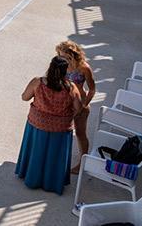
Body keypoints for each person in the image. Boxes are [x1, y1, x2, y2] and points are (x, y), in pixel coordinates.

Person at [16, 56, 84, 194]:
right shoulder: (71, 88)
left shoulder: (37, 82)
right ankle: (52, 182)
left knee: (36, 150)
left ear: (50, 68)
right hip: (60, 128)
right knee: (55, 155)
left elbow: (24, 97)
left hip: (37, 123)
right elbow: (79, 108)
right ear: (65, 71)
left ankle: (31, 177)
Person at [55, 40, 96, 174]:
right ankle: (55, 160)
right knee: (58, 131)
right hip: (64, 103)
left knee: (80, 133)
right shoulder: (60, 65)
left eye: (66, 57)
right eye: (60, 56)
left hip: (80, 104)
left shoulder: (84, 67)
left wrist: (84, 106)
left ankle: (81, 164)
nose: (63, 59)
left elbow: (92, 90)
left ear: (74, 55)